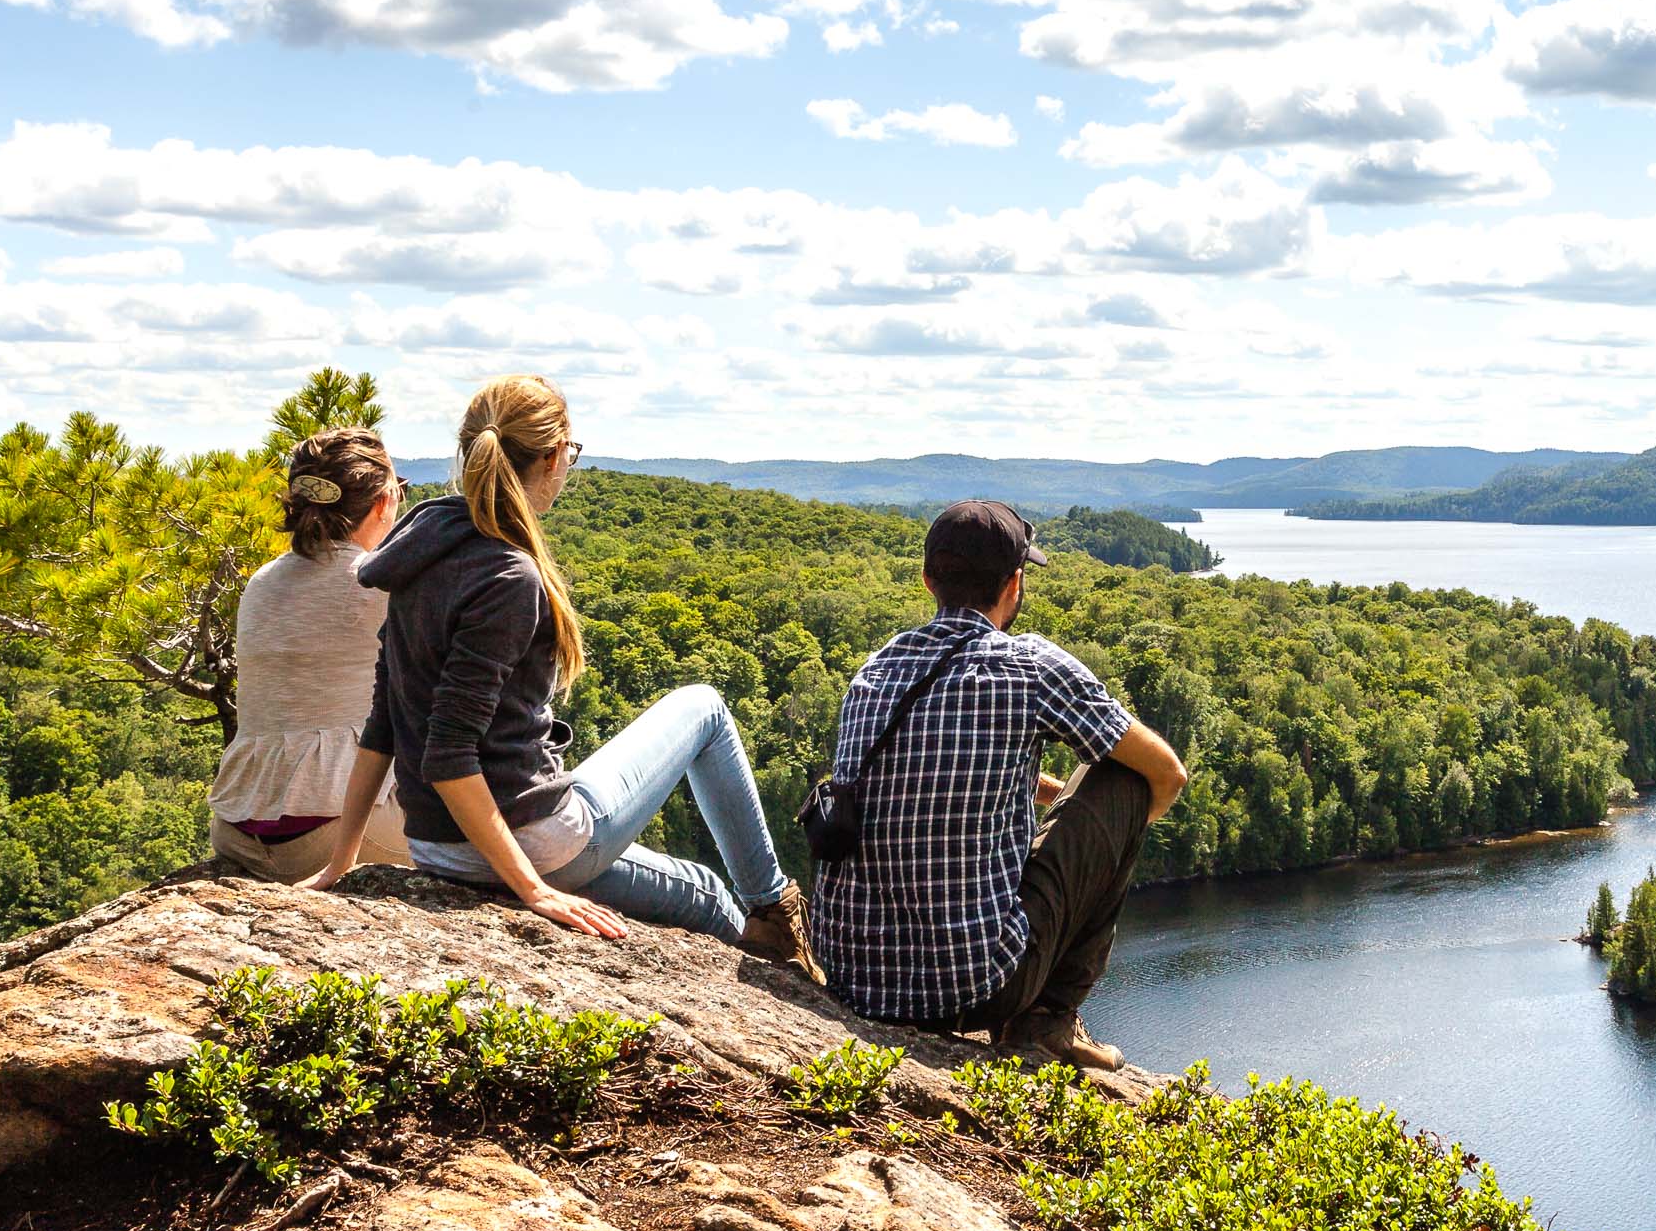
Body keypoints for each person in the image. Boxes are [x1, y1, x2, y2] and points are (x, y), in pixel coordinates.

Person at [303, 373, 815, 978]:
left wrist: (341, 860)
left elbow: (385, 721)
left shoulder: (420, 552)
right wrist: (533, 891)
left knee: (698, 882)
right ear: (551, 458)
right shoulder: (508, 574)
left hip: (436, 848)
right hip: (532, 842)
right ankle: (775, 915)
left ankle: (768, 926)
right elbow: (448, 753)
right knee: (704, 713)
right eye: (569, 454)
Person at [811, 499, 1188, 1070]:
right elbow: (1167, 774)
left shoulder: (876, 668)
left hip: (853, 980)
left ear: (928, 578)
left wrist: (1051, 797)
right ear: (1014, 583)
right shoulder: (1030, 666)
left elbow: (943, 769)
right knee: (1124, 777)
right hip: (975, 990)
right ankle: (1047, 1020)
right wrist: (1102, 841)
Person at [207, 428, 415, 881]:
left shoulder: (262, 582)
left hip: (235, 830)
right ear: (382, 503)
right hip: (340, 830)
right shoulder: (377, 582)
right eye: (400, 491)